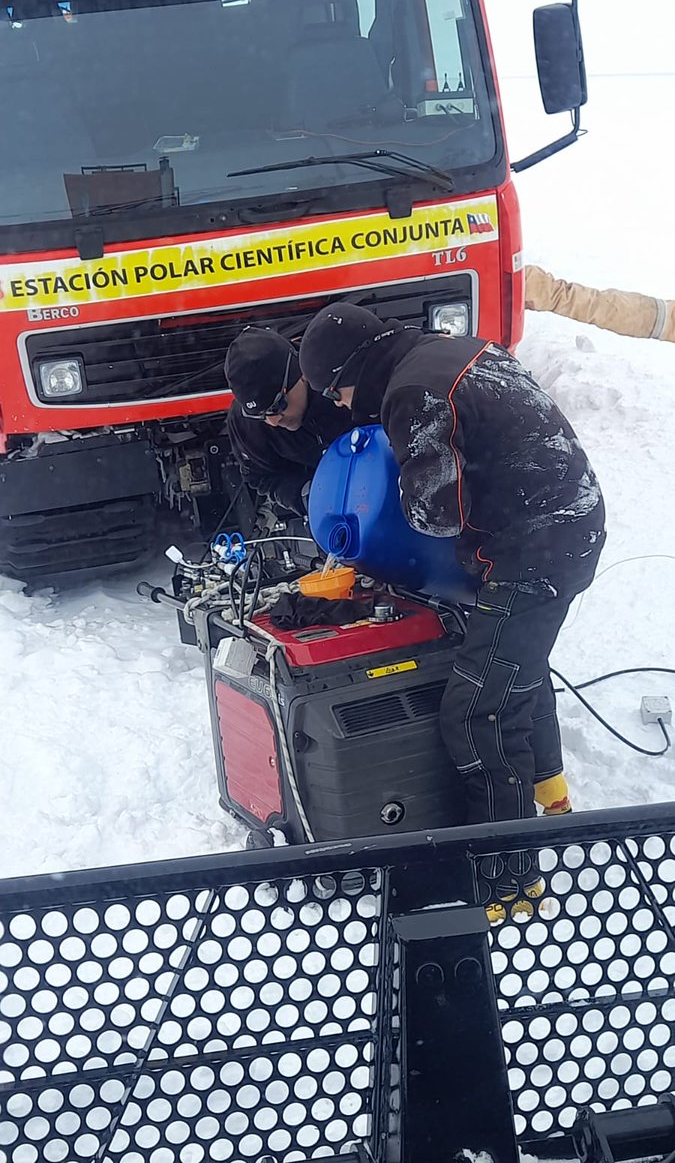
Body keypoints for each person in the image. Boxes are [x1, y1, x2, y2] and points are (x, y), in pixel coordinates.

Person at [299, 302, 606, 916]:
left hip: (533, 552)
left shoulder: (412, 392)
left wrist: (381, 541)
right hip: (568, 525)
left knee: (476, 711)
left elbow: (435, 512)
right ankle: (549, 788)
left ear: (355, 366)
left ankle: (508, 880)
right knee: (513, 667)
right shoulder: (452, 351)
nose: (340, 402)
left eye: (337, 389)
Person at [225, 326, 352, 518]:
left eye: (278, 406)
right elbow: (261, 476)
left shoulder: (342, 376)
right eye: (260, 414)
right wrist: (303, 494)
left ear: (301, 375)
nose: (273, 421)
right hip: (331, 505)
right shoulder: (247, 425)